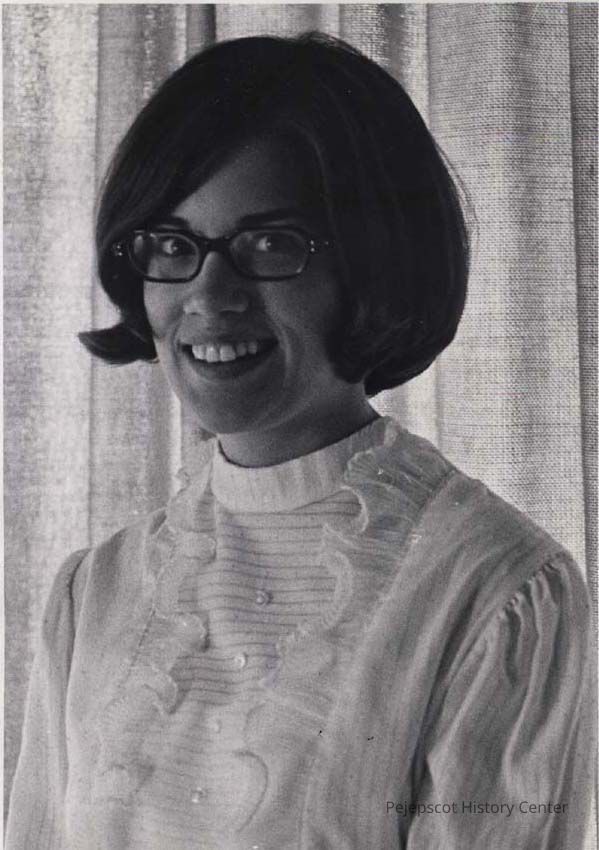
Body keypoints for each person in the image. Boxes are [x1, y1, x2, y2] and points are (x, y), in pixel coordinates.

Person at [6, 32, 594, 850]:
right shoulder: (93, 593)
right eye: (173, 245)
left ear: (372, 265)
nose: (209, 295)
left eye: (269, 243)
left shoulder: (494, 591)